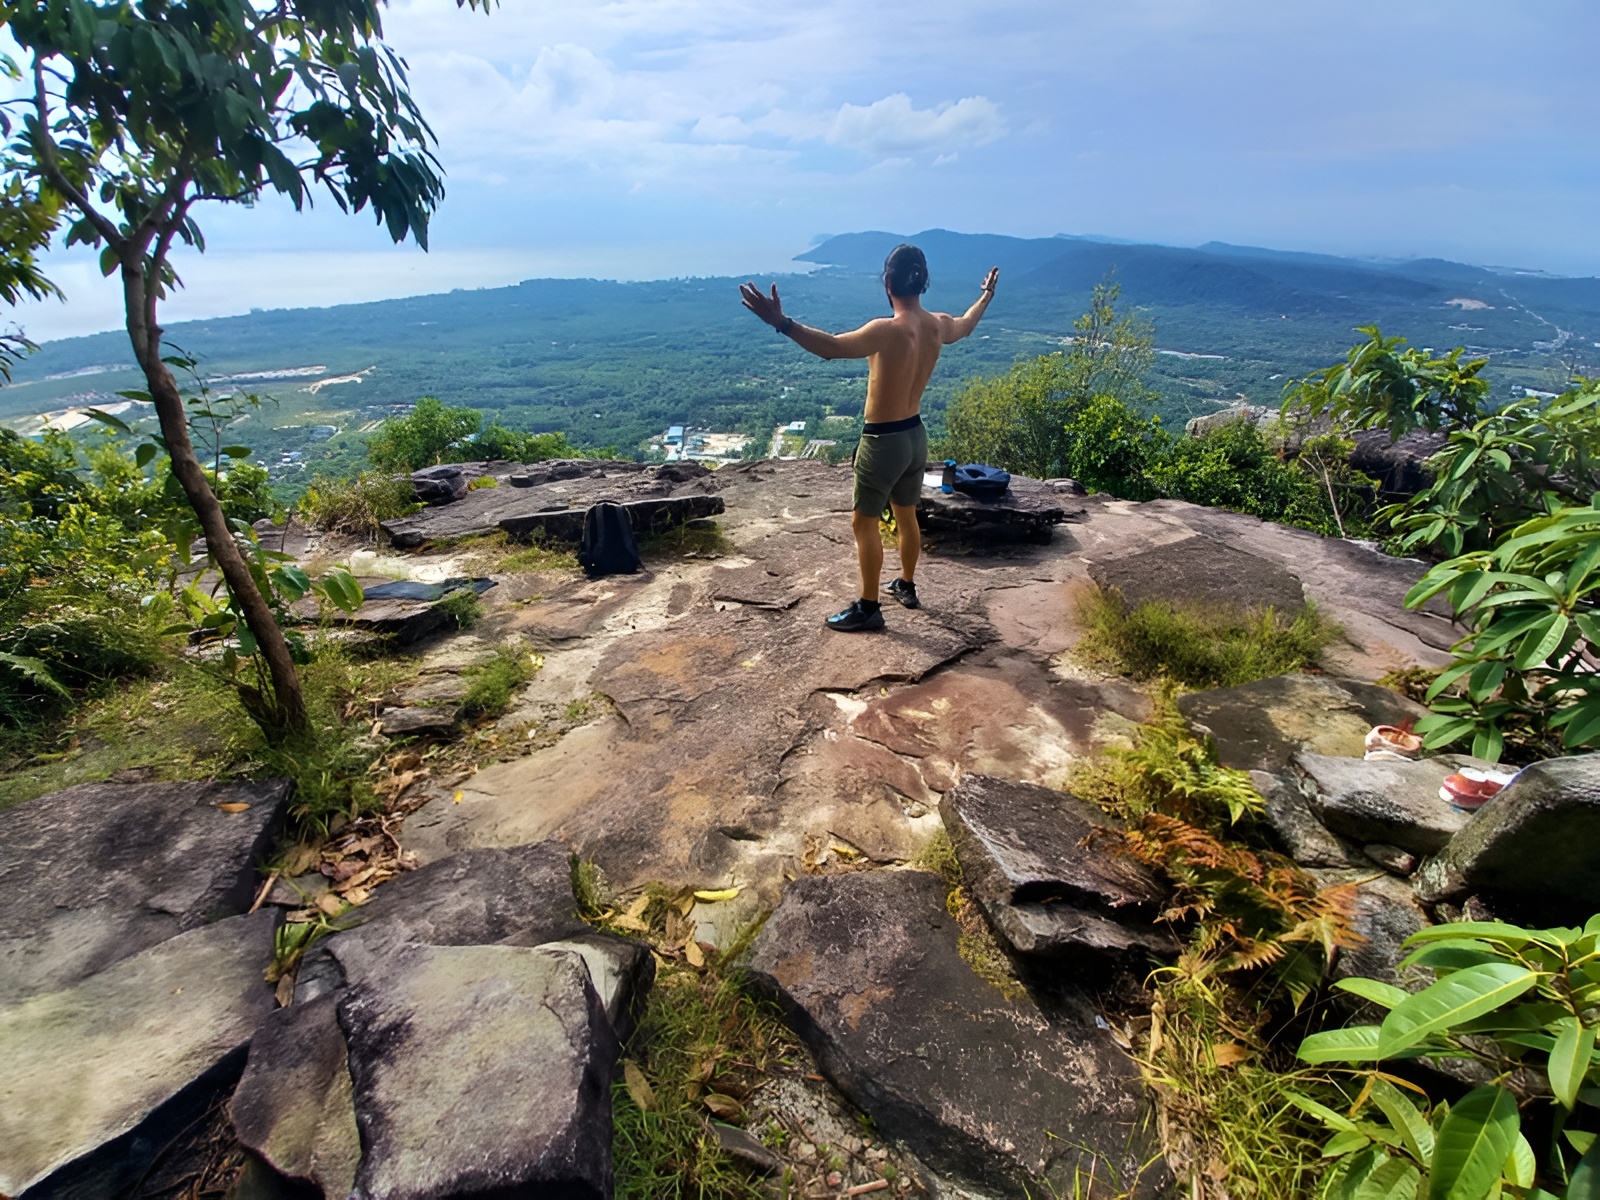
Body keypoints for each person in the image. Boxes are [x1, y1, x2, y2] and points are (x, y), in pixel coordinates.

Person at [740, 244, 998, 631]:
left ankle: (869, 606)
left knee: (864, 523)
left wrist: (783, 323)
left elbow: (831, 348)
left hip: (884, 441)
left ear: (888, 282)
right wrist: (986, 295)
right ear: (923, 283)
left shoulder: (885, 330)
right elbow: (966, 323)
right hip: (915, 435)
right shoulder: (937, 325)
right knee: (907, 513)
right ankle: (906, 585)